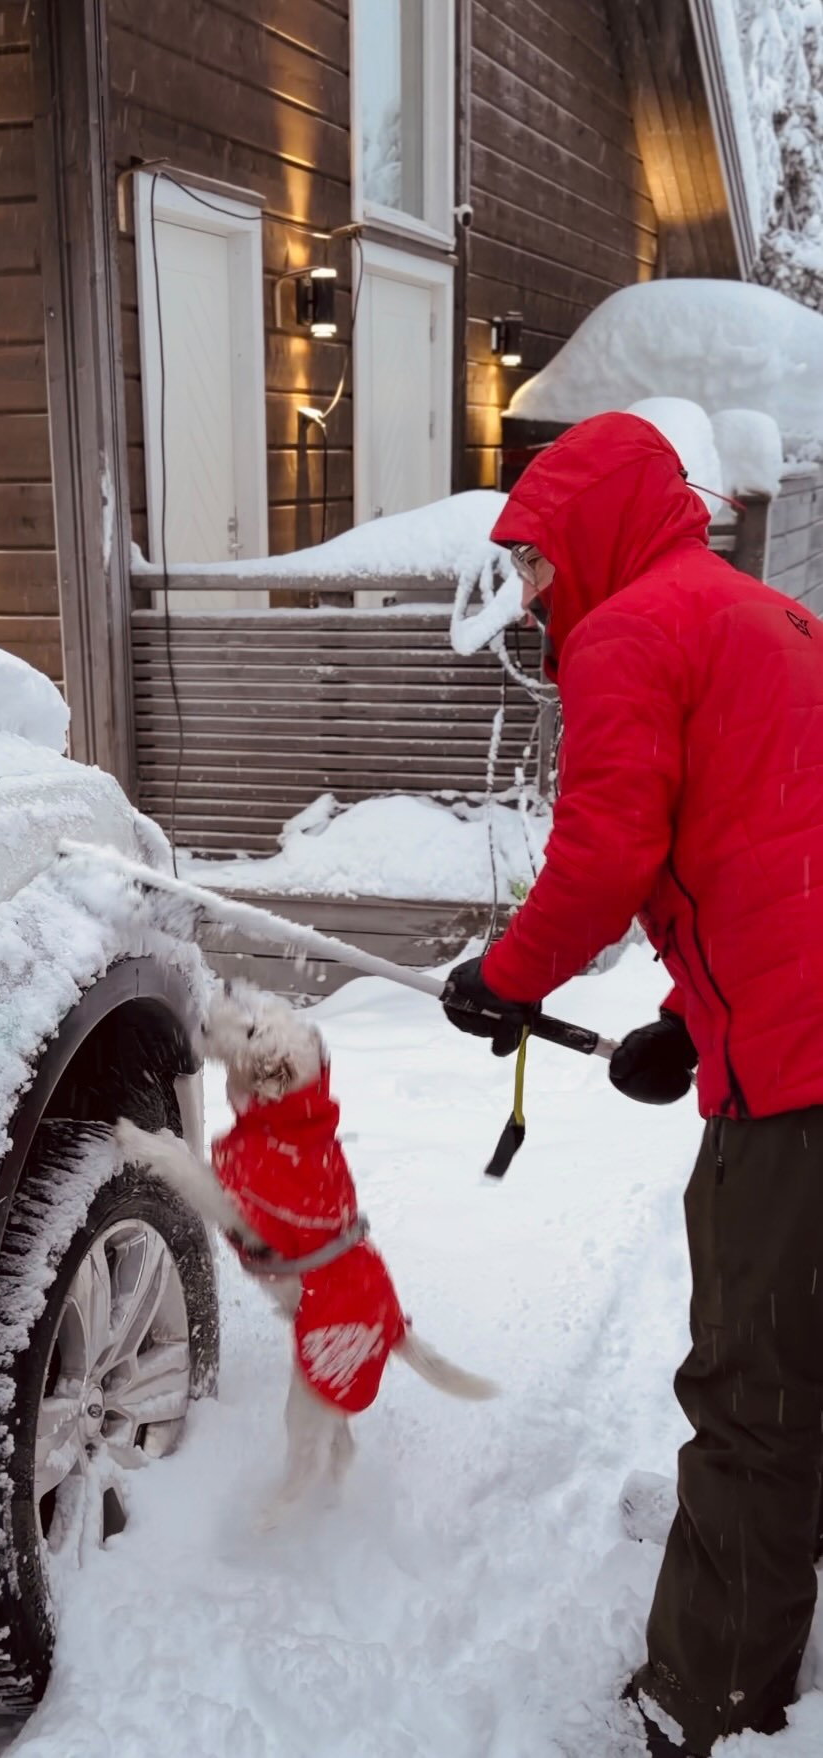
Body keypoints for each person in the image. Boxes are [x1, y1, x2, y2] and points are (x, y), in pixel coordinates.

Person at [441, 411, 823, 1758]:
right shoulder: (771, 616)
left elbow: (606, 852)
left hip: (799, 1079)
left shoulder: (629, 634)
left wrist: (507, 977)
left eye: (540, 555)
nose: (535, 585)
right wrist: (686, 1018)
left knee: (755, 1386)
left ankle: (708, 1696)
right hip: (791, 1026)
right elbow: (776, 842)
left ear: (597, 530)